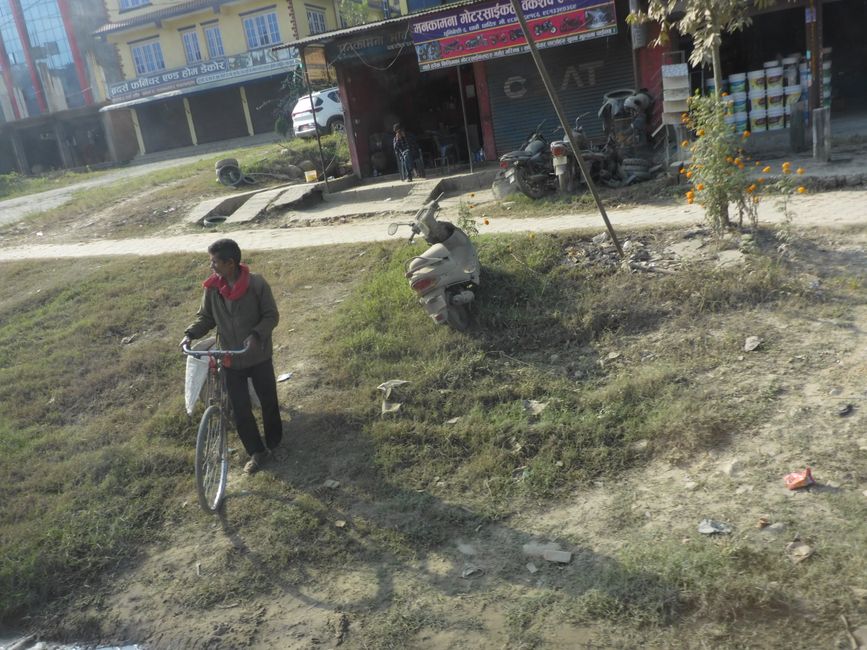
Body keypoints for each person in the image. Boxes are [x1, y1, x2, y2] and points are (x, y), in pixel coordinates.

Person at [180, 238, 283, 475]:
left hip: (257, 354)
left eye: (215, 261)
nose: (211, 266)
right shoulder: (213, 289)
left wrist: (256, 335)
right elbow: (205, 317)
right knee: (239, 408)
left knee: (268, 399)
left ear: (230, 263)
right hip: (230, 356)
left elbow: (271, 316)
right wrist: (189, 334)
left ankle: (275, 442)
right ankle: (257, 452)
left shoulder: (257, 285)